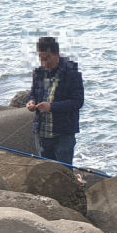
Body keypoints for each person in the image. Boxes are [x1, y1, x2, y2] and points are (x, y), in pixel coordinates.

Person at [26, 36, 84, 165]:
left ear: (57, 54)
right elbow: (33, 94)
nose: (44, 62)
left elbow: (78, 101)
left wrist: (51, 107)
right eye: (41, 58)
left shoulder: (72, 73)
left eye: (47, 58)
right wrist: (31, 102)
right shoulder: (38, 73)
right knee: (46, 170)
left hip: (63, 133)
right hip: (42, 131)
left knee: (64, 171)